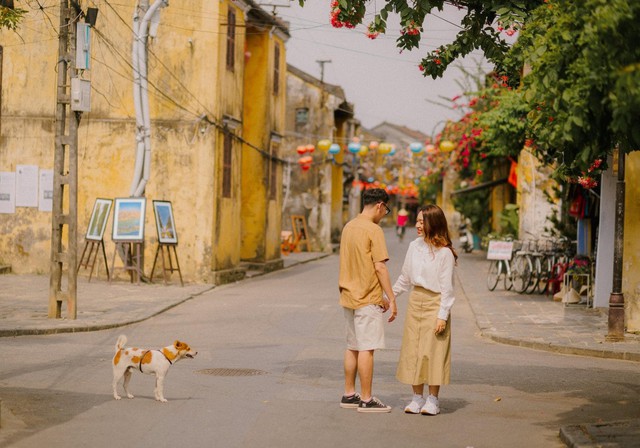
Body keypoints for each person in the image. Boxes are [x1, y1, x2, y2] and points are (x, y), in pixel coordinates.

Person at [392, 204, 457, 415]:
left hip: (435, 301)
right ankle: (417, 398)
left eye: (422, 221)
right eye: (418, 221)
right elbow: (405, 277)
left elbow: (447, 289)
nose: (418, 225)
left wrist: (442, 316)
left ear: (433, 223)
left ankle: (433, 399)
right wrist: (389, 297)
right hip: (415, 299)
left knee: (434, 352)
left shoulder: (444, 253)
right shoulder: (414, 246)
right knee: (413, 349)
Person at [338, 188, 397, 413]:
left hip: (348, 295)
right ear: (380, 205)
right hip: (367, 298)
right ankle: (366, 398)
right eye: (386, 210)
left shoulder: (348, 227)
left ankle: (349, 394)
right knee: (367, 348)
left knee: (352, 346)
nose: (384, 215)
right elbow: (379, 267)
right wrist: (391, 298)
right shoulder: (374, 230)